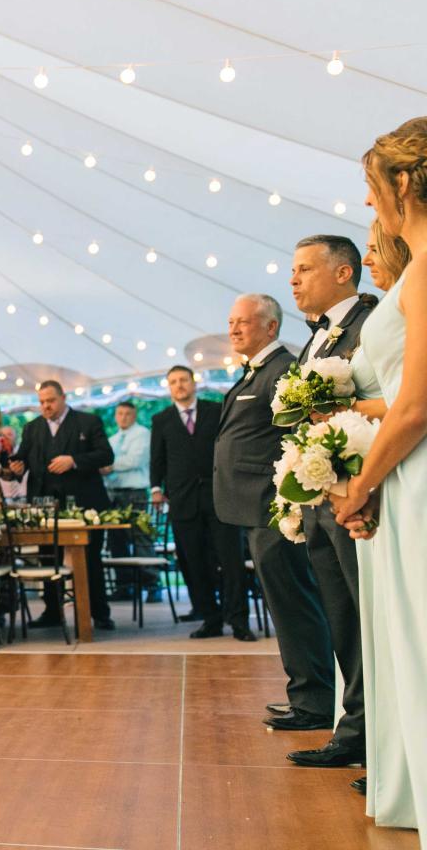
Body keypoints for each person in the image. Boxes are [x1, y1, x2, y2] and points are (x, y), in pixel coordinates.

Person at [331, 117, 427, 831]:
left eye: (372, 189)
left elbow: (416, 403)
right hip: (401, 476)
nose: (370, 206)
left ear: (401, 183)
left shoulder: (425, 271)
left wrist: (359, 485)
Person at [212, 293, 335, 732]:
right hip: (251, 508)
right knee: (286, 603)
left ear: (270, 327)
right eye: (230, 322)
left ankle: (315, 702)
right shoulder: (254, 372)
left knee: (294, 603)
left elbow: (293, 438)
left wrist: (287, 502)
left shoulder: (281, 369)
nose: (234, 329)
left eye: (244, 321)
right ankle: (304, 693)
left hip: (271, 506)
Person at [280, 235, 377, 769]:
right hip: (319, 498)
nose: (293, 279)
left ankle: (369, 734)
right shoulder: (314, 338)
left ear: (343, 273)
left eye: (303, 269)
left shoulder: (370, 324)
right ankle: (355, 726)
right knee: (341, 619)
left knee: (366, 618)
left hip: (355, 497)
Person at [150, 366, 251, 641]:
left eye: (183, 380)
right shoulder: (161, 419)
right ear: (169, 388)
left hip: (221, 497)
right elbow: (157, 459)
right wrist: (156, 488)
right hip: (183, 501)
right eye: (173, 382)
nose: (179, 385)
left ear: (194, 383)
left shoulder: (215, 410)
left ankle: (239, 620)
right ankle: (210, 618)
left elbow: (231, 447)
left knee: (231, 561)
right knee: (194, 563)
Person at [9, 380, 115, 630]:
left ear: (63, 397)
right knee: (49, 558)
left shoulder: (88, 422)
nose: (46, 406)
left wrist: (74, 460)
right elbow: (21, 458)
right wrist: (15, 466)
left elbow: (106, 455)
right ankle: (53, 611)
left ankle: (99, 613)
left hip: (85, 504)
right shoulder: (32, 428)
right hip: (45, 504)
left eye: (50, 401)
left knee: (90, 559)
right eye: (42, 402)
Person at [102, 401, 156, 595]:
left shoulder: (142, 434)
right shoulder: (113, 438)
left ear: (134, 415)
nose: (123, 417)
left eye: (127, 414)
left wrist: (111, 466)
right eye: (120, 414)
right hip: (114, 492)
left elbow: (136, 459)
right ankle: (124, 586)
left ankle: (152, 585)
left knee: (141, 537)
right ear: (115, 416)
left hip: (135, 492)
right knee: (117, 540)